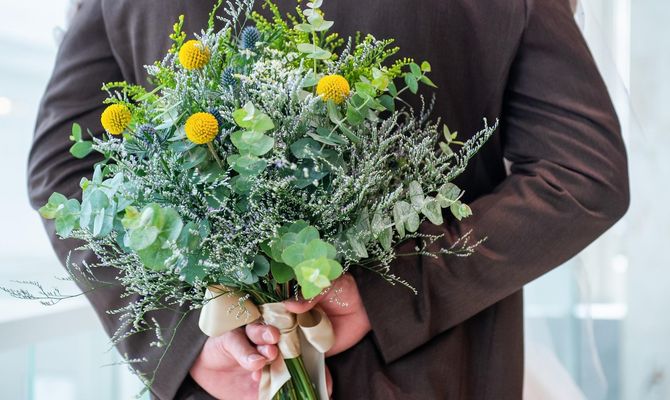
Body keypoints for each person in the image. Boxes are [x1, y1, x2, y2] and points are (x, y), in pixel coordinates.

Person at [28, 0, 629, 399]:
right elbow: (582, 175)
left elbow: (64, 172)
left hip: (231, 378)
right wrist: (396, 289)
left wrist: (184, 338)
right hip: (432, 378)